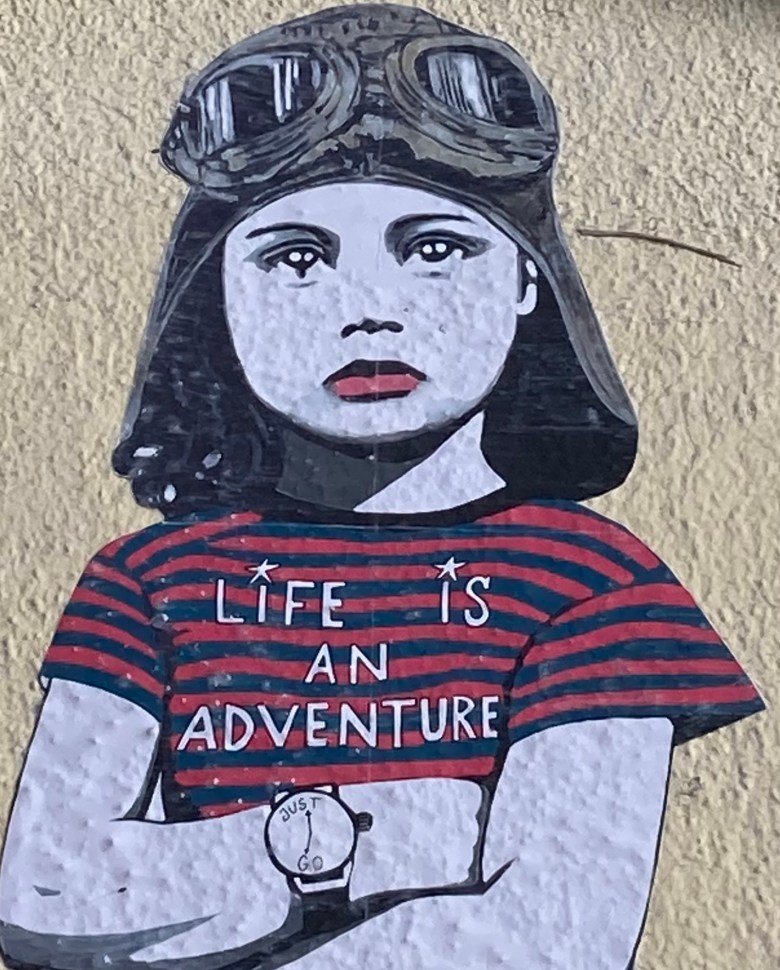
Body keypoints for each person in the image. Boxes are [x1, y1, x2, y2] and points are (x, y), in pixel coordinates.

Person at [0, 5, 764, 970]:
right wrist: (384, 833)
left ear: (529, 280)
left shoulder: (592, 582)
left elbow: (546, 941)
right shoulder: (145, 580)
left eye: (436, 248)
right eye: (297, 259)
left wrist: (196, 876)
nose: (369, 311)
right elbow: (45, 895)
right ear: (216, 295)